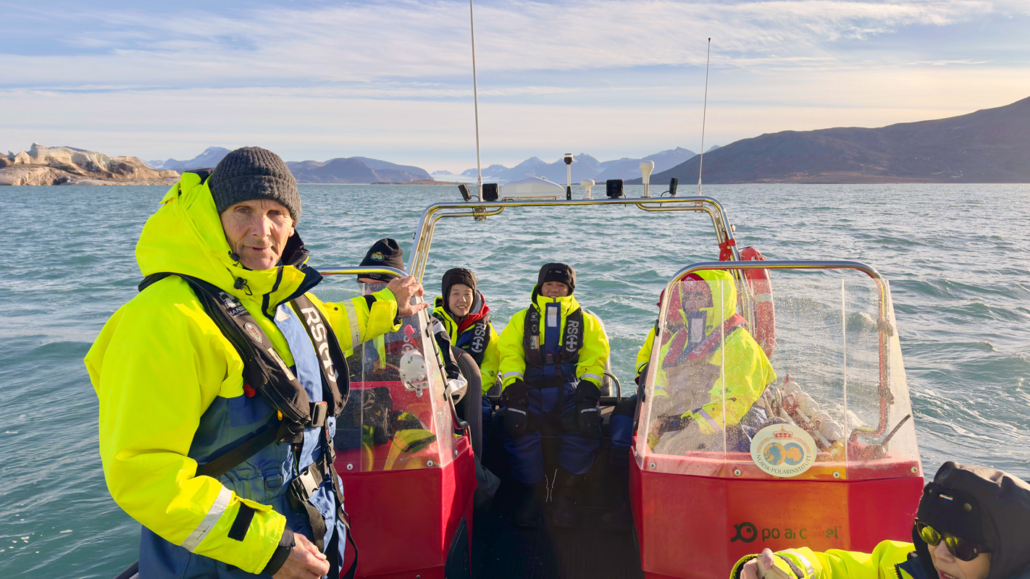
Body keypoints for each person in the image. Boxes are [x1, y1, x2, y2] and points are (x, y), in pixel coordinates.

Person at [85, 147, 428, 579]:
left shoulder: (282, 297)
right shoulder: (164, 316)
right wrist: (267, 546)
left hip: (305, 533)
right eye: (242, 210)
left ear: (292, 223)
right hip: (225, 562)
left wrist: (389, 306)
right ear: (214, 216)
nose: (261, 230)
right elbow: (142, 472)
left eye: (276, 213)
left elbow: (326, 328)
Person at [734, 461, 1030, 579]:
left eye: (960, 547)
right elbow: (840, 570)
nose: (939, 554)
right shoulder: (910, 568)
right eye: (929, 534)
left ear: (1008, 556)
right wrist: (787, 568)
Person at [497, 263, 611, 527]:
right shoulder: (520, 319)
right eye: (550, 285)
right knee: (517, 426)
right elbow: (510, 353)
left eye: (561, 286)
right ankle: (532, 496)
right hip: (530, 389)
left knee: (584, 427)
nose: (555, 291)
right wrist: (513, 385)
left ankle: (564, 497)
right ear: (540, 287)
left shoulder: (587, 321)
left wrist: (588, 388)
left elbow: (595, 357)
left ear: (570, 289)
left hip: (571, 389)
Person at [645, 269, 777, 455]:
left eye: (699, 296)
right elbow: (658, 382)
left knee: (674, 452)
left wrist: (690, 432)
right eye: (687, 296)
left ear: (718, 300)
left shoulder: (740, 344)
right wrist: (658, 416)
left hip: (728, 428)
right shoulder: (677, 341)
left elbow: (733, 403)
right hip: (683, 421)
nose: (691, 304)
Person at [432, 268, 500, 434]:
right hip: (439, 392)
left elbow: (491, 368)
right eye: (455, 293)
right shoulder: (432, 325)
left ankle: (477, 458)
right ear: (446, 296)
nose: (462, 300)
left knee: (483, 417)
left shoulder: (486, 330)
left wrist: (470, 391)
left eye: (467, 294)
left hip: (474, 393)